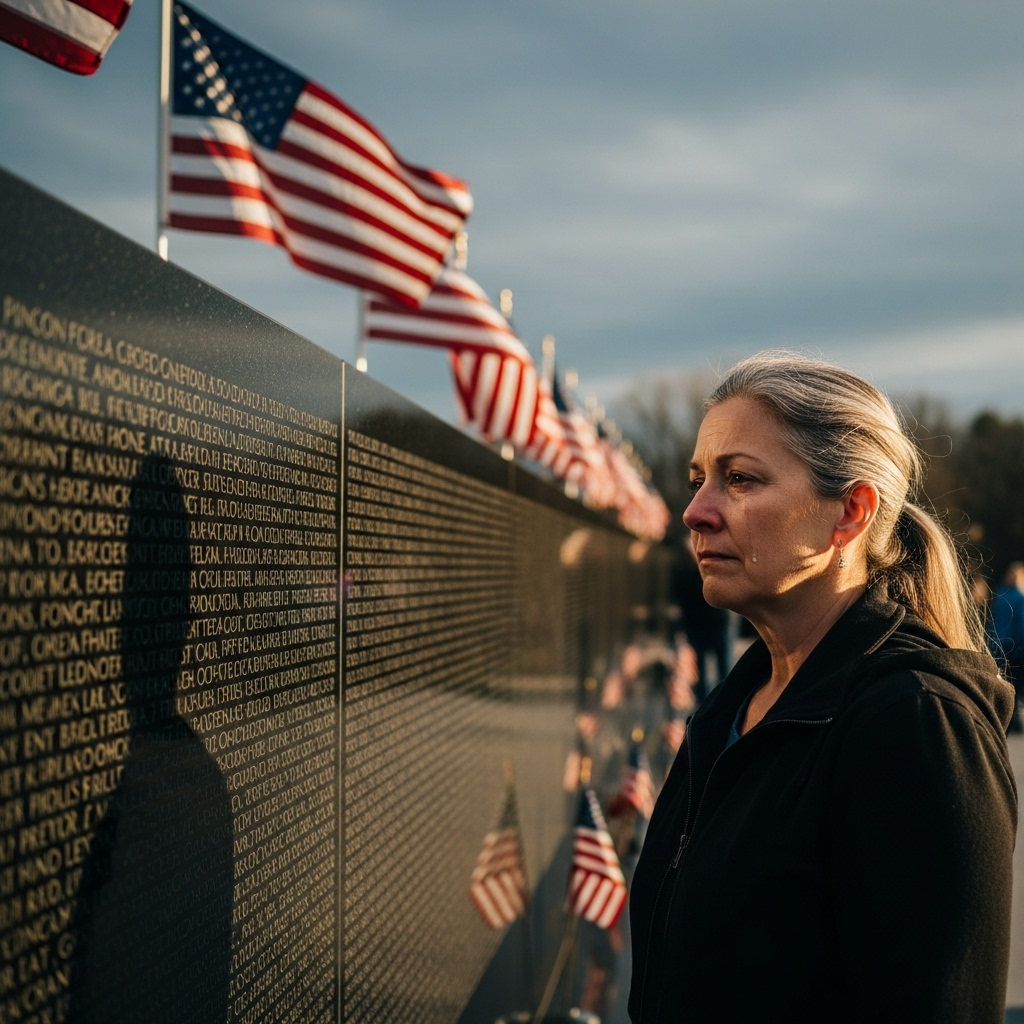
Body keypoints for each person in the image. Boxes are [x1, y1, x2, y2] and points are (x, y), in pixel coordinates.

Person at [628, 353, 1016, 1024]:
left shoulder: (915, 724)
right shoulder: (731, 708)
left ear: (850, 513)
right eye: (697, 480)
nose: (695, 512)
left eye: (739, 479)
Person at [989, 561, 1024, 732]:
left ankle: (1008, 717)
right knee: (1018, 682)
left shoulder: (1000, 596)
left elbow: (994, 620)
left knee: (1006, 680)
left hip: (999, 643)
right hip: (1017, 645)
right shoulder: (1020, 597)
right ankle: (1016, 719)